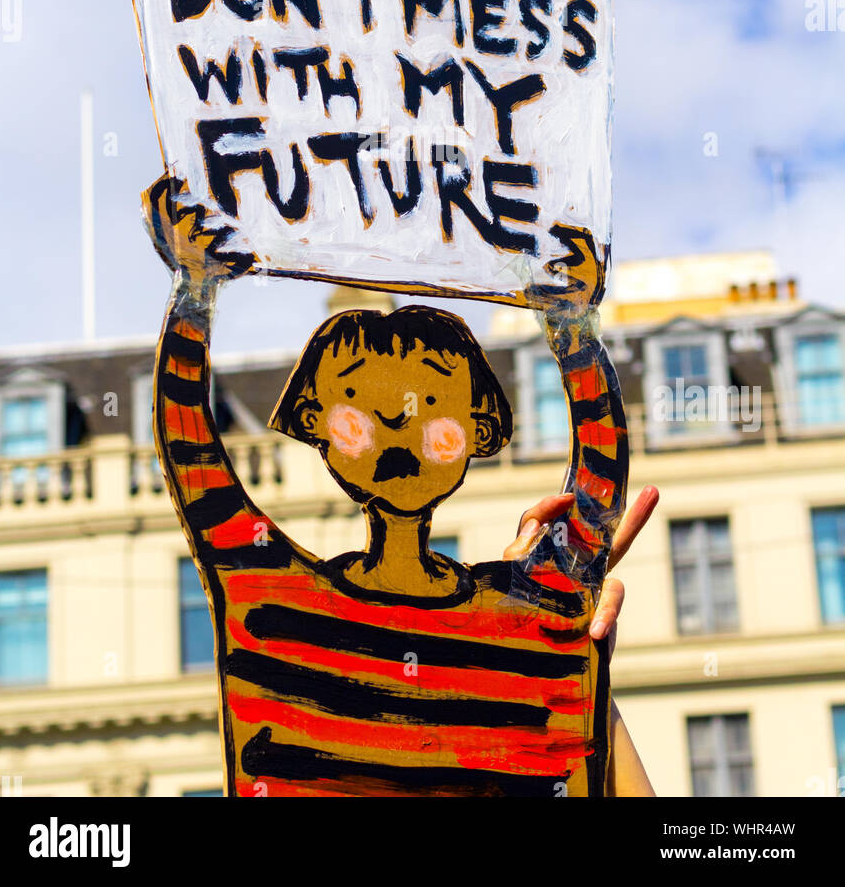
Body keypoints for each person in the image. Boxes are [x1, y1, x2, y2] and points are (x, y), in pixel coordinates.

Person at [144, 173, 656, 796]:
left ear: (480, 427)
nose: (397, 421)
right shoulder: (273, 593)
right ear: (313, 422)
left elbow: (195, 463)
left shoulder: (270, 593)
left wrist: (576, 661)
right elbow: (193, 455)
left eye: (431, 400)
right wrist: (572, 332)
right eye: (359, 397)